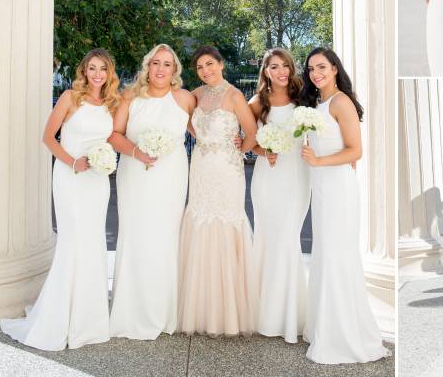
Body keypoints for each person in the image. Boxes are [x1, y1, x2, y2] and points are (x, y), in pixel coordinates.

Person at [0, 49, 120, 350]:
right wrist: (72, 162)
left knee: (93, 242)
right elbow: (48, 137)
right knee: (72, 242)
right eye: (92, 68)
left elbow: (110, 138)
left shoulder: (111, 103)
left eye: (102, 69)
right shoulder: (70, 97)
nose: (97, 74)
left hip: (97, 181)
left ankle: (88, 320)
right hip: (70, 177)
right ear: (84, 71)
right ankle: (59, 318)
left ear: (109, 73)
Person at [300, 47, 387, 365]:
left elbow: (355, 151)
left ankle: (343, 335)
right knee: (325, 254)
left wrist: (319, 160)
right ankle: (326, 326)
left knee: (337, 255)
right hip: (322, 187)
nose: (315, 73)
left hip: (338, 187)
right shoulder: (317, 104)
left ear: (335, 69)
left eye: (321, 67)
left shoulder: (341, 102)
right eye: (311, 69)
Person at [109, 43, 194, 340]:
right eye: (155, 63)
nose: (160, 69)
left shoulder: (185, 98)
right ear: (148, 66)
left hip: (171, 175)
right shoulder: (131, 95)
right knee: (135, 233)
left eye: (167, 64)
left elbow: (203, 131)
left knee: (165, 235)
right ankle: (129, 311)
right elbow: (114, 134)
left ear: (174, 70)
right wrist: (136, 152)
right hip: (135, 173)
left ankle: (162, 310)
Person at [178, 46, 258, 336]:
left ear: (221, 64)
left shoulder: (235, 95)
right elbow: (186, 120)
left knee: (224, 222)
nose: (205, 70)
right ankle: (196, 305)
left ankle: (230, 312)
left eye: (209, 64)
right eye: (200, 67)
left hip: (227, 170)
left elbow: (251, 134)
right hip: (199, 166)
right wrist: (202, 138)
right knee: (198, 219)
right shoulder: (195, 95)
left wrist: (236, 147)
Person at [248, 47, 310, 342]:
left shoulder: (304, 98)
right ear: (266, 71)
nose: (281, 71)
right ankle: (264, 314)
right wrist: (264, 151)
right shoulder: (256, 103)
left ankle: (290, 316)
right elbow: (248, 142)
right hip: (267, 177)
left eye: (285, 66)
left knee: (288, 238)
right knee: (267, 238)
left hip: (297, 174)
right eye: (274, 67)